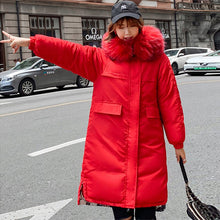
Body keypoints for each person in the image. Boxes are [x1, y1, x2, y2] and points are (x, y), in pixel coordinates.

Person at [0, 1, 186, 219]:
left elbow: (169, 101)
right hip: (113, 147)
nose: (127, 32)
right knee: (121, 211)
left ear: (140, 25)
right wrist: (32, 42)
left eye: (132, 25)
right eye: (121, 26)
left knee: (147, 212)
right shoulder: (101, 59)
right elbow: (69, 52)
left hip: (148, 145)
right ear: (113, 29)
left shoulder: (159, 60)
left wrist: (178, 142)